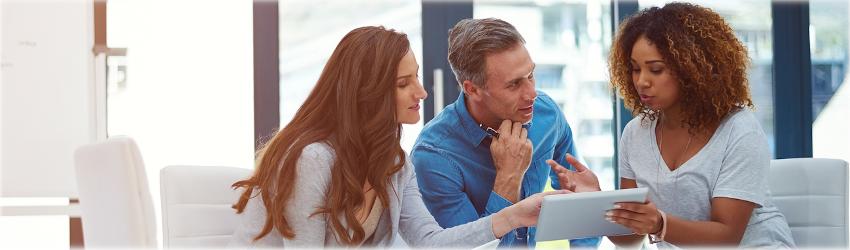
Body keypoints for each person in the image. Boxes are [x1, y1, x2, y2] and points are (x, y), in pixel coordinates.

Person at [226, 26, 567, 248]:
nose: (421, 92)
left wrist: (515, 214)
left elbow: (431, 242)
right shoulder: (313, 159)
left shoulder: (393, 164)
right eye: (403, 84)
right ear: (367, 92)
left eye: (416, 77)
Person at [548, 2, 795, 248]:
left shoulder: (739, 130)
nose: (641, 81)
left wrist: (659, 224)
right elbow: (631, 238)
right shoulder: (635, 134)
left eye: (656, 70)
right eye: (635, 69)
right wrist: (596, 201)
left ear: (693, 70)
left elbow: (727, 236)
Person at [410, 18, 600, 248]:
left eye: (530, 75)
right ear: (472, 89)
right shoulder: (434, 157)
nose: (532, 94)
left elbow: (581, 206)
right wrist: (508, 178)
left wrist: (590, 207)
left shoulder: (546, 114)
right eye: (514, 84)